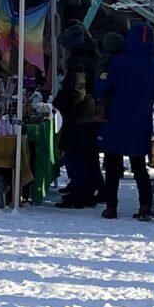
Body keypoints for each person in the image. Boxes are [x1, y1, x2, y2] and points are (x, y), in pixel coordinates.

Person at [97, 25, 154, 219]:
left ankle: (111, 206)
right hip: (141, 119)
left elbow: (103, 89)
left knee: (111, 165)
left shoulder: (118, 63)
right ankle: (145, 205)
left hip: (117, 117)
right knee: (139, 166)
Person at [53, 59, 104, 208]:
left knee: (78, 159)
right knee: (86, 158)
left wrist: (63, 104)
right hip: (85, 117)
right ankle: (86, 192)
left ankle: (80, 195)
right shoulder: (88, 64)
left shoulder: (78, 69)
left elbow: (77, 94)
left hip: (80, 118)